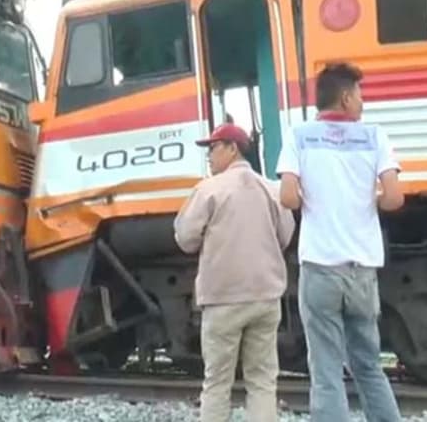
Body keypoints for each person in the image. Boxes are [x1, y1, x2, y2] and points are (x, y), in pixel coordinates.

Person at [275, 62, 404, 421]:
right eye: (360, 94)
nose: (362, 102)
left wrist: (310, 200)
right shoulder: (375, 136)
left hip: (320, 268)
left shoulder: (299, 135)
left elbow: (287, 197)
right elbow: (394, 198)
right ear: (346, 97)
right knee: (369, 366)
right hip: (362, 271)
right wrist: (368, 202)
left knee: (327, 370)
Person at [173, 123, 296, 422]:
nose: (209, 156)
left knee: (217, 382)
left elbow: (185, 239)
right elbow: (286, 236)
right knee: (263, 381)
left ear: (232, 148)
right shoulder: (271, 189)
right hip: (266, 298)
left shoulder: (209, 190)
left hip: (223, 300)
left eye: (213, 148)